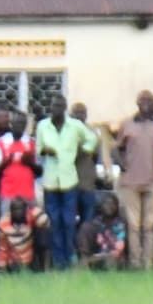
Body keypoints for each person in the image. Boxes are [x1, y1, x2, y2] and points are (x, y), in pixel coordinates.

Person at [34, 95, 90, 269]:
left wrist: (81, 151)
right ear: (50, 107)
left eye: (60, 105)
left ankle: (70, 257)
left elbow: (92, 140)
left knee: (68, 221)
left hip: (69, 180)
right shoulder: (43, 125)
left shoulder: (74, 125)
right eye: (54, 105)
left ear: (65, 107)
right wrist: (45, 150)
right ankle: (59, 261)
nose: (56, 108)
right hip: (50, 180)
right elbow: (37, 149)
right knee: (54, 222)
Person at [112, 93, 153, 270]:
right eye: (143, 101)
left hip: (152, 181)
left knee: (149, 225)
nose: (146, 104)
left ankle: (148, 263)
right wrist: (122, 164)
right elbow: (116, 149)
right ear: (137, 103)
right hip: (130, 182)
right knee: (134, 225)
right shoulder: (127, 124)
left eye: (149, 101)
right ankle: (135, 263)